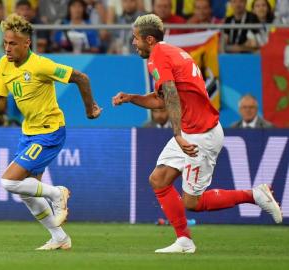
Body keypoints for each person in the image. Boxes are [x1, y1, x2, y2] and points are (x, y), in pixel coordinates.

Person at [112, 14, 282, 253]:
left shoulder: (157, 57)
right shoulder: (171, 52)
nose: (133, 43)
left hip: (200, 134)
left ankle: (255, 195)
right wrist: (131, 98)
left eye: (135, 39)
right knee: (158, 179)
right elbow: (161, 100)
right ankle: (184, 240)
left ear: (149, 39)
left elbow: (170, 95)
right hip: (194, 129)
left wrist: (178, 134)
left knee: (193, 202)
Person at [0, 14, 102, 250]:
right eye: (5, 43)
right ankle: (60, 238)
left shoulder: (41, 65)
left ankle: (57, 193)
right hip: (28, 133)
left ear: (26, 43)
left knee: (8, 182)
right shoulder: (4, 64)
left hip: (50, 131)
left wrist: (90, 109)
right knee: (27, 192)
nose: (7, 48)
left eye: (13, 43)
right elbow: (0, 105)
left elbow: (81, 77)